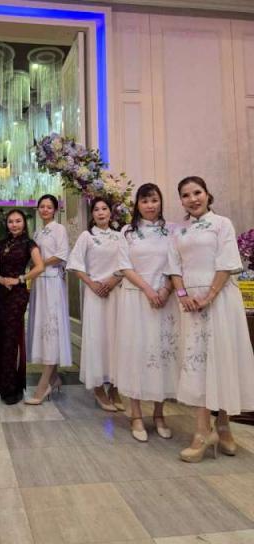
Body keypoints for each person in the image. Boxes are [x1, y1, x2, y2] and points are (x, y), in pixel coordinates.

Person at [168, 176, 254, 462]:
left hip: (220, 299)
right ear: (181, 200)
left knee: (221, 359)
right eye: (186, 195)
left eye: (197, 192)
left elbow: (227, 263)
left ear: (207, 194)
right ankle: (203, 430)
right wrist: (182, 295)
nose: (193, 199)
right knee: (198, 364)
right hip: (190, 304)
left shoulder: (222, 224)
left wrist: (209, 296)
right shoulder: (178, 230)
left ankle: (223, 425)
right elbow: (173, 267)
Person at [116, 183, 180, 442]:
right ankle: (136, 415)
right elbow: (124, 267)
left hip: (165, 300)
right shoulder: (128, 231)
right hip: (136, 298)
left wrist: (165, 290)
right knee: (137, 353)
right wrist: (148, 290)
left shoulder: (172, 230)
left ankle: (159, 414)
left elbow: (177, 264)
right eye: (144, 201)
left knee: (162, 355)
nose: (150, 205)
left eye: (154, 200)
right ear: (137, 205)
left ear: (161, 201)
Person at [67, 197, 124, 411]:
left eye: (104, 208)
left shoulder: (120, 236)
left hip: (116, 292)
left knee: (116, 339)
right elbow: (75, 264)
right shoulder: (87, 236)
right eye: (96, 209)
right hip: (94, 294)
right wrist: (92, 284)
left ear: (111, 212)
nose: (100, 212)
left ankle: (115, 389)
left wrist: (113, 281)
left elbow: (127, 264)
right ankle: (99, 389)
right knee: (97, 339)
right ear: (92, 214)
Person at [0, 209, 44, 404]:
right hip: (0, 292)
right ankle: (4, 387)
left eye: (18, 221)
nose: (14, 224)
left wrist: (20, 279)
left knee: (12, 339)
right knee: (2, 338)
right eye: (11, 221)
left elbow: (40, 266)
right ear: (7, 224)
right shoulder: (0, 244)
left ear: (24, 223)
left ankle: (15, 386)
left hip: (17, 295)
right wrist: (0, 278)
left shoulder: (29, 243)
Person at [26, 194, 72, 404]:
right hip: (39, 283)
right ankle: (54, 379)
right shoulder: (37, 232)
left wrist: (40, 264)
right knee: (43, 328)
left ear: (55, 210)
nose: (45, 210)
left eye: (49, 207)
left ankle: (43, 385)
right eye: (42, 206)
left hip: (52, 282)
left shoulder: (58, 229)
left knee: (52, 329)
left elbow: (62, 255)